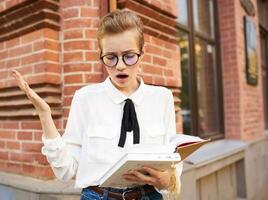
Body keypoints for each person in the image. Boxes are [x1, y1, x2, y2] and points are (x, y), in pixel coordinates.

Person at [11, 9, 182, 200]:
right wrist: (45, 115)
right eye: (111, 57)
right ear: (101, 55)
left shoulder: (162, 98)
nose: (120, 66)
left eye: (129, 56)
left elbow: (172, 160)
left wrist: (167, 180)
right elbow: (66, 171)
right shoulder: (85, 99)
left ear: (142, 53)